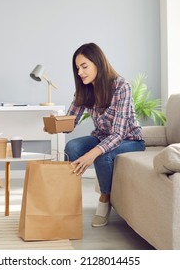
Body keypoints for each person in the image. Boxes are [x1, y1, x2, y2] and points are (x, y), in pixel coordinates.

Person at [64, 43, 145, 227]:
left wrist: (92, 154)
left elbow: (118, 133)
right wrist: (55, 125)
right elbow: (70, 122)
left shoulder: (121, 86)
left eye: (84, 66)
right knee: (72, 147)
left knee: (103, 154)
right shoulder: (85, 89)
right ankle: (68, 198)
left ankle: (104, 199)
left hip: (129, 140)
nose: (80, 72)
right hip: (101, 136)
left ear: (98, 63)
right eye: (78, 68)